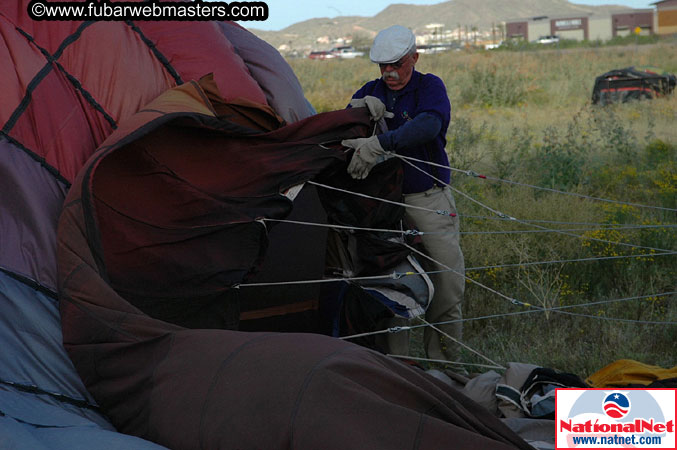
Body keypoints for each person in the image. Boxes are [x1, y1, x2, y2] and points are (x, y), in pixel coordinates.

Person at [342, 25, 465, 364]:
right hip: (383, 207)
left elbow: (429, 125)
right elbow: (346, 132)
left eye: (396, 64)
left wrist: (381, 142)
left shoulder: (430, 87)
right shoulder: (370, 91)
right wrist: (354, 120)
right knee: (394, 285)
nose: (389, 73)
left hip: (428, 198)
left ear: (415, 57)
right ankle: (399, 368)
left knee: (448, 283)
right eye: (382, 66)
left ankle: (446, 367)